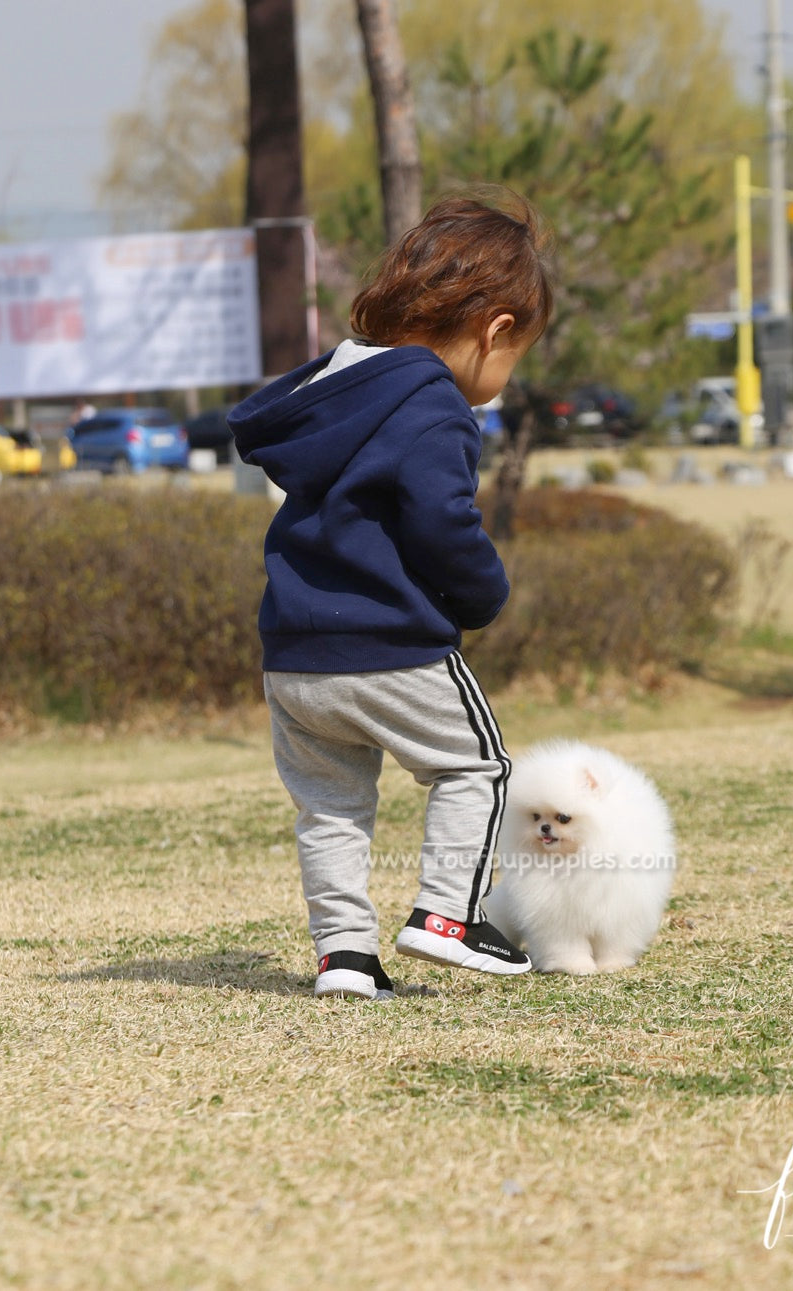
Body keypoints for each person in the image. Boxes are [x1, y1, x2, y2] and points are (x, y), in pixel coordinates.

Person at [228, 191, 553, 1000]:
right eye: (515, 359)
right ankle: (447, 915)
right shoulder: (431, 403)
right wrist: (484, 591)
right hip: (393, 644)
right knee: (477, 765)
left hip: (296, 656)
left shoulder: (335, 386)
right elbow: (441, 518)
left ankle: (344, 956)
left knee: (331, 807)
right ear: (496, 330)